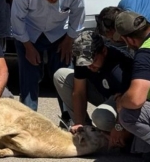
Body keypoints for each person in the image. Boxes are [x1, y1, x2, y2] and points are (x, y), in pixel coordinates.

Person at [11, 0, 85, 111]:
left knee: (64, 75)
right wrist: (28, 47)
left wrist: (69, 40)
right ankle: (29, 117)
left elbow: (78, 16)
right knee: (29, 77)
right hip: (29, 33)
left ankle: (68, 116)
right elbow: (17, 20)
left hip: (60, 34)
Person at [53, 30, 132, 141]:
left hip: (122, 103)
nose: (89, 66)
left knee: (101, 117)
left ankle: (122, 137)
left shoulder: (120, 65)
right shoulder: (83, 56)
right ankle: (87, 130)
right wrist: (79, 123)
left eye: (93, 61)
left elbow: (128, 103)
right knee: (61, 75)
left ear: (104, 51)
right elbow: (79, 92)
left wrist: (119, 128)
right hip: (103, 94)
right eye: (86, 63)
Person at [115, 11, 150, 154]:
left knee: (127, 113)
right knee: (142, 152)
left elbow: (135, 100)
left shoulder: (145, 54)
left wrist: (120, 101)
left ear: (129, 40)